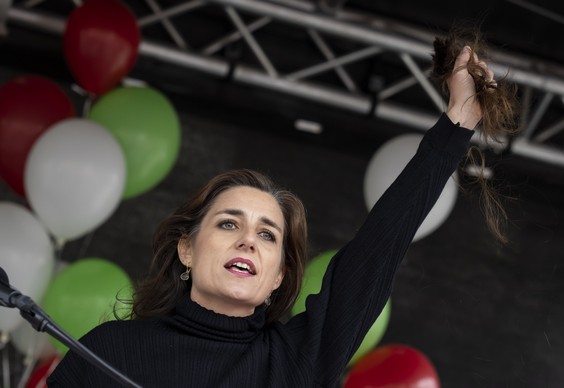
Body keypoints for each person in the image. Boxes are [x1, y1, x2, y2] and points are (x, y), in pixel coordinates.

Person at [47, 45, 494, 387]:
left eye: (267, 236)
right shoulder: (108, 353)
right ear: (186, 248)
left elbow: (374, 255)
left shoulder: (295, 361)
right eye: (228, 223)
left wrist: (457, 125)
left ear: (278, 276)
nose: (247, 241)